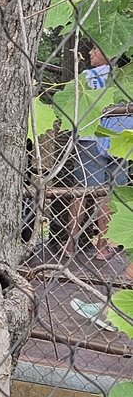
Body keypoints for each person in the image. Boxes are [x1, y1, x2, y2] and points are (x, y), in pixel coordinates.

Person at [67, 44, 133, 260]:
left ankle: (70, 244)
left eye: (95, 49)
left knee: (82, 192)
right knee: (111, 194)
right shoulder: (128, 78)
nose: (89, 53)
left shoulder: (86, 77)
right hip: (121, 140)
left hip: (90, 137)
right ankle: (103, 246)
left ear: (109, 53)